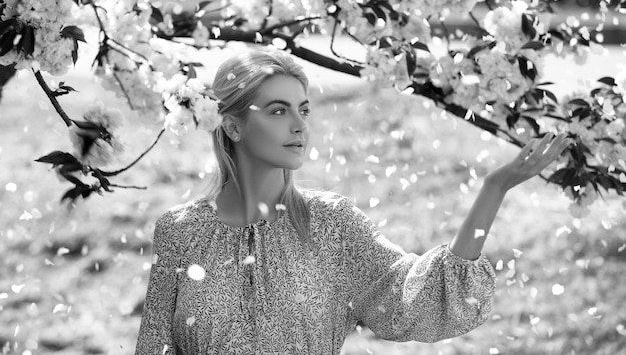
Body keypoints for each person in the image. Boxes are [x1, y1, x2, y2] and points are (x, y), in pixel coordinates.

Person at [134, 49, 572, 354]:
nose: (300, 126)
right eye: (278, 110)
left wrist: (492, 191)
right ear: (231, 127)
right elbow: (155, 347)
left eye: (304, 109)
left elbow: (415, 300)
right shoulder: (180, 231)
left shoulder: (330, 224)